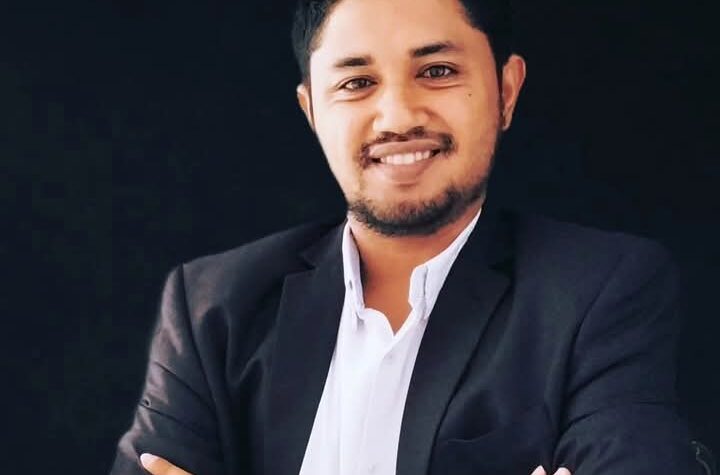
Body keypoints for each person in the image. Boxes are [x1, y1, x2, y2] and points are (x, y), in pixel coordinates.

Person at [110, 0, 702, 474]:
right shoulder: (213, 305)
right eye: (356, 82)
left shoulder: (599, 291)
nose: (397, 117)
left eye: (437, 71)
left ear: (506, 90)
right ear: (312, 110)